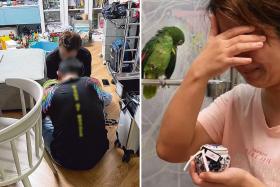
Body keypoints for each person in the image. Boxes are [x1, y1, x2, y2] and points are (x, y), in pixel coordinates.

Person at [157, 0, 280, 186]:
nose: (239, 55)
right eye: (230, 41)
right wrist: (198, 72)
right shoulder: (238, 101)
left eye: (249, 37)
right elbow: (170, 150)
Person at [42, 58, 112, 170]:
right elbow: (106, 100)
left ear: (58, 74)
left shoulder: (51, 92)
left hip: (64, 159)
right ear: (82, 73)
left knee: (41, 123)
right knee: (103, 100)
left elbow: (40, 116)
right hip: (99, 151)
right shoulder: (92, 82)